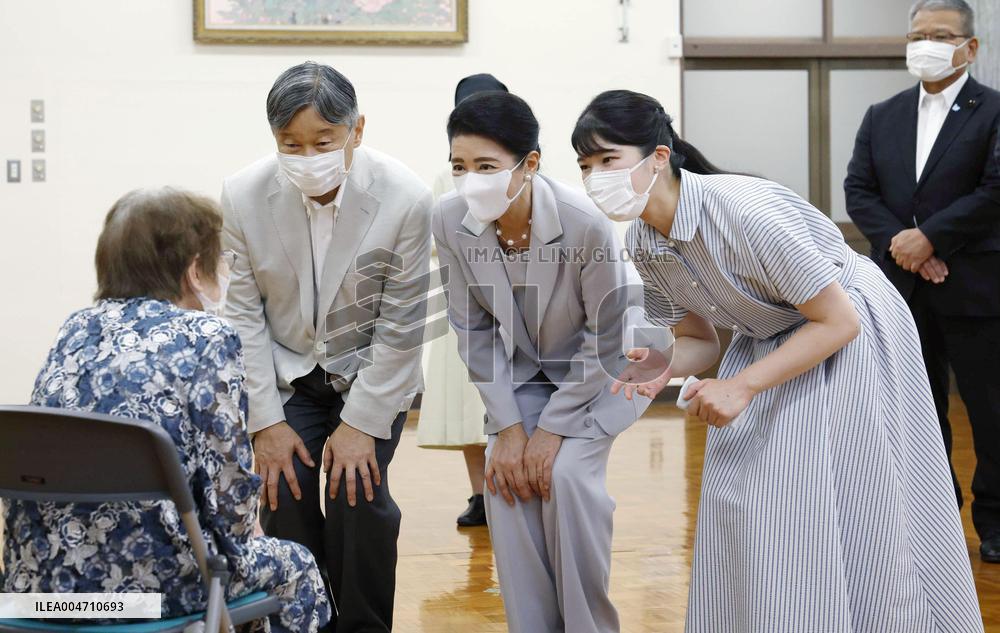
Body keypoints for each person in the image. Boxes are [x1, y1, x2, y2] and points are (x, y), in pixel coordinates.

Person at [576, 90, 984, 632]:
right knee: (741, 497)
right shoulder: (645, 241)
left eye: (609, 160)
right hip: (770, 338)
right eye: (585, 165)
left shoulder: (743, 210)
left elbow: (838, 321)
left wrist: (739, 388)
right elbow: (700, 339)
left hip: (852, 332)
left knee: (838, 498)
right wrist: (663, 366)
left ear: (658, 155)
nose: (595, 177)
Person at [2, 188, 330, 633]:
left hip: (39, 593)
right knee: (298, 568)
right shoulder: (207, 336)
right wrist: (243, 533)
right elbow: (229, 496)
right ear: (195, 270)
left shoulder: (75, 329)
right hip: (155, 594)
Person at [433, 91, 660, 633]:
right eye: (459, 167)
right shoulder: (448, 220)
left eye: (486, 167)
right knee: (505, 487)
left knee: (566, 483)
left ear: (529, 163)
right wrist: (509, 430)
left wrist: (550, 431)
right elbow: (473, 330)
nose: (470, 181)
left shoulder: (585, 222)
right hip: (520, 379)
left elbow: (604, 338)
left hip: (600, 376)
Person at [221, 62, 432, 632]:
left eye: (323, 141)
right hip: (289, 374)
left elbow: (401, 324)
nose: (306, 156)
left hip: (368, 372)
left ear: (356, 131)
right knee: (283, 496)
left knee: (356, 499)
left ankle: (361, 626)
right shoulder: (243, 194)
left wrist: (361, 424)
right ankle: (298, 623)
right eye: (290, 144)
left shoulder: (405, 198)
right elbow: (242, 316)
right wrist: (264, 421)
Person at [844, 0, 1000, 562]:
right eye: (916, 35)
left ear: (970, 47)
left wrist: (931, 238)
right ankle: (933, 519)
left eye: (939, 34)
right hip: (902, 291)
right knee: (917, 409)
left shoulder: (995, 111)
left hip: (978, 288)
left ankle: (996, 521)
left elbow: (996, 189)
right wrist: (906, 246)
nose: (925, 43)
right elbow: (858, 190)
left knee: (991, 411)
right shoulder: (882, 114)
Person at [419, 72, 509, 528]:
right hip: (465, 302)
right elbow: (438, 236)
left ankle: (508, 490)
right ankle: (481, 494)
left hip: (515, 304)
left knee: (509, 403)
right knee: (469, 409)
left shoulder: (523, 170)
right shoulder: (444, 177)